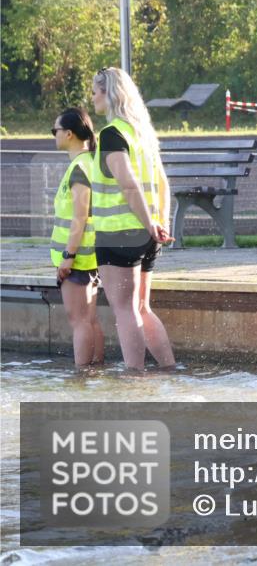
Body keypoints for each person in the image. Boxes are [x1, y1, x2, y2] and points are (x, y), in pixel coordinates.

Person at [90, 66, 175, 371]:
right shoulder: (143, 134)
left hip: (120, 233)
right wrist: (159, 224)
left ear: (108, 94)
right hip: (149, 235)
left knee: (125, 310)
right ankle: (169, 370)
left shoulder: (112, 134)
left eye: (95, 91)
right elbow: (163, 183)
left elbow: (127, 184)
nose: (92, 98)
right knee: (142, 306)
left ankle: (134, 378)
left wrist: (149, 224)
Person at [50, 108, 105, 367]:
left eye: (55, 131)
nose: (54, 136)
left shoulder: (80, 167)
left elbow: (79, 217)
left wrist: (68, 257)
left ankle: (81, 379)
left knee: (80, 321)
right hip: (87, 256)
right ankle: (95, 373)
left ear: (69, 134)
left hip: (78, 258)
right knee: (90, 319)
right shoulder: (87, 163)